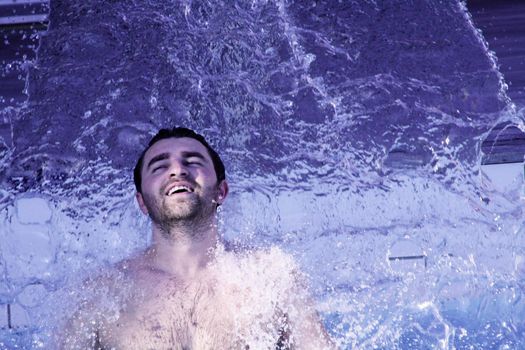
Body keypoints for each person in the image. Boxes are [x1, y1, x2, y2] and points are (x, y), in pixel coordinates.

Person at [58, 127, 334, 349]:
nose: (177, 170)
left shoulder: (270, 277)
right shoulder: (103, 293)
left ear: (221, 191)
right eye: (159, 166)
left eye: (192, 161)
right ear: (142, 202)